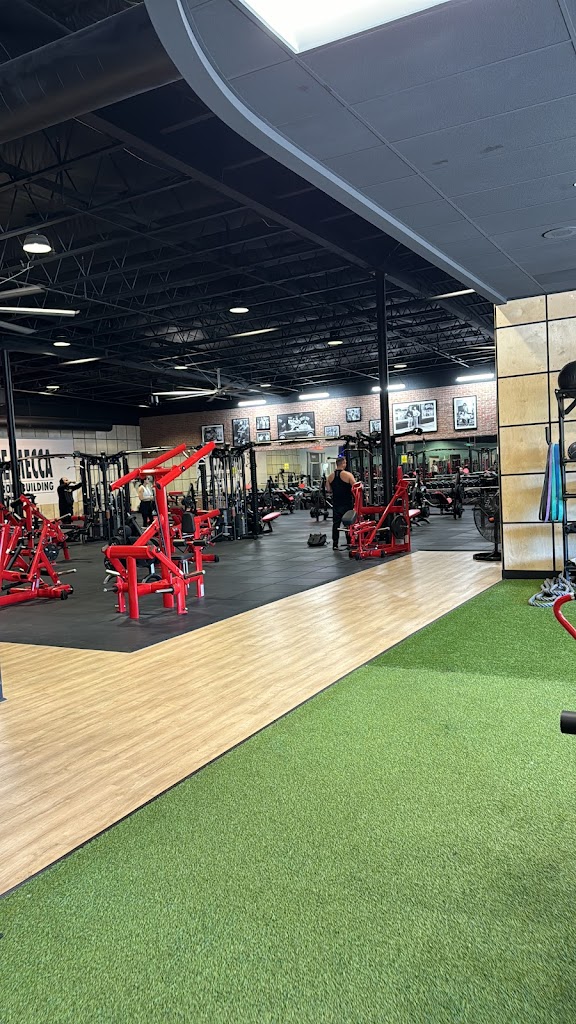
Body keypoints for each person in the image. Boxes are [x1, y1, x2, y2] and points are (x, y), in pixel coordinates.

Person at [326, 456, 355, 550]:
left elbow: (329, 490)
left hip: (336, 503)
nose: (345, 464)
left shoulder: (330, 476)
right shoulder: (348, 475)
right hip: (347, 503)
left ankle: (335, 544)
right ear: (343, 464)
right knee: (348, 523)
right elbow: (356, 488)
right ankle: (349, 542)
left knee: (336, 524)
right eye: (345, 462)